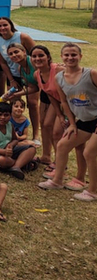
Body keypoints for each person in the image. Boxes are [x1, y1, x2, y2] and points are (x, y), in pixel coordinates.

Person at [38, 43, 97, 201]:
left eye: (74, 55)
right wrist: (71, 123)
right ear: (61, 57)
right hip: (84, 120)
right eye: (67, 55)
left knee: (89, 152)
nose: (70, 58)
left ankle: (93, 191)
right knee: (63, 145)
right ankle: (57, 181)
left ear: (80, 56)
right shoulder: (59, 78)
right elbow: (64, 102)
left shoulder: (91, 74)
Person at [33, 45, 64, 171]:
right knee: (46, 124)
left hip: (69, 103)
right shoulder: (37, 74)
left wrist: (63, 114)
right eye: (34, 56)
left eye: (41, 55)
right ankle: (47, 157)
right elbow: (50, 94)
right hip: (56, 101)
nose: (37, 58)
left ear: (48, 57)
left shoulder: (57, 70)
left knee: (57, 133)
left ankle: (60, 163)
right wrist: (58, 112)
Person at [5, 42, 41, 143]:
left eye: (16, 52)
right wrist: (15, 94)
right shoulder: (20, 68)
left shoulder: (34, 62)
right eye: (11, 54)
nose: (14, 55)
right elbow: (33, 88)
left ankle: (36, 137)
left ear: (24, 52)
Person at [0, 16, 36, 92]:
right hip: (13, 75)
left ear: (11, 25)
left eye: (5, 25)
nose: (2, 28)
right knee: (14, 100)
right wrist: (11, 80)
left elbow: (36, 54)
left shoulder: (23, 37)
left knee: (32, 102)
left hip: (29, 74)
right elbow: (3, 63)